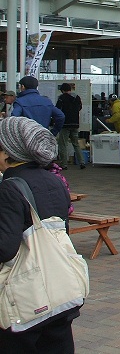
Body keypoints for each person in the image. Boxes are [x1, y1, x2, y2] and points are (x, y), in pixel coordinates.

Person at [0, 117, 79, 352]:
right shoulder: (56, 180)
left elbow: (5, 247)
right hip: (60, 292)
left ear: (8, 152)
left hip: (27, 298)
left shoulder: (10, 187)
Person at [55, 83, 85, 170]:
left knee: (63, 144)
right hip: (75, 124)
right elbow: (80, 107)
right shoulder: (77, 97)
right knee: (76, 144)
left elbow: (57, 109)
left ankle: (64, 164)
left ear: (63, 90)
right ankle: (82, 162)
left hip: (65, 124)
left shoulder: (61, 98)